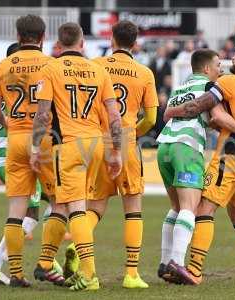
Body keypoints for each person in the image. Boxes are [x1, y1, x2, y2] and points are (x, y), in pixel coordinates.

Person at [163, 42, 235, 285]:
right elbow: (231, 118)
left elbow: (202, 105)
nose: (232, 58)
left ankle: (194, 270)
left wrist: (172, 111)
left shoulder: (231, 83)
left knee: (204, 209)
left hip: (230, 155)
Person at [31, 22, 122, 292]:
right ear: (83, 43)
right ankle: (46, 262)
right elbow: (114, 116)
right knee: (63, 203)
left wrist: (36, 148)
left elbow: (43, 113)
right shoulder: (98, 69)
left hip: (68, 145)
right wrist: (115, 151)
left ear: (59, 44)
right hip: (95, 143)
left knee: (75, 209)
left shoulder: (52, 68)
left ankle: (89, 274)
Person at [0, 42, 60, 286]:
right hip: (20, 152)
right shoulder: (33, 87)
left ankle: (49, 259)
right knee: (36, 211)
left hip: (3, 153)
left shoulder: (3, 87)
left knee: (45, 202)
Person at [85, 20, 158, 289]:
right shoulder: (144, 72)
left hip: (94, 142)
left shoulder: (94, 65)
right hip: (125, 141)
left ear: (112, 39)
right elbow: (151, 118)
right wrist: (134, 132)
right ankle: (131, 274)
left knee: (95, 205)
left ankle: (77, 244)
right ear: (135, 43)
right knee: (133, 206)